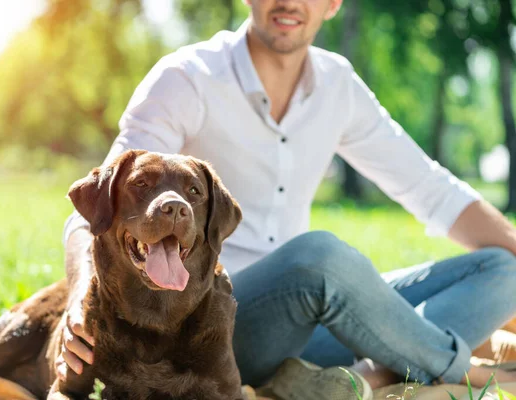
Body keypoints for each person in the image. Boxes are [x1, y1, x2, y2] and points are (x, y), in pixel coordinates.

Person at [55, 0, 516, 398]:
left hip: (309, 321)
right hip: (209, 326)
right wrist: (80, 297)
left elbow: (431, 189)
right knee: (319, 257)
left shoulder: (338, 85)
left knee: (503, 268)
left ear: (333, 3)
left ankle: (370, 375)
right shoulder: (187, 78)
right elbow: (100, 205)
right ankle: (458, 369)